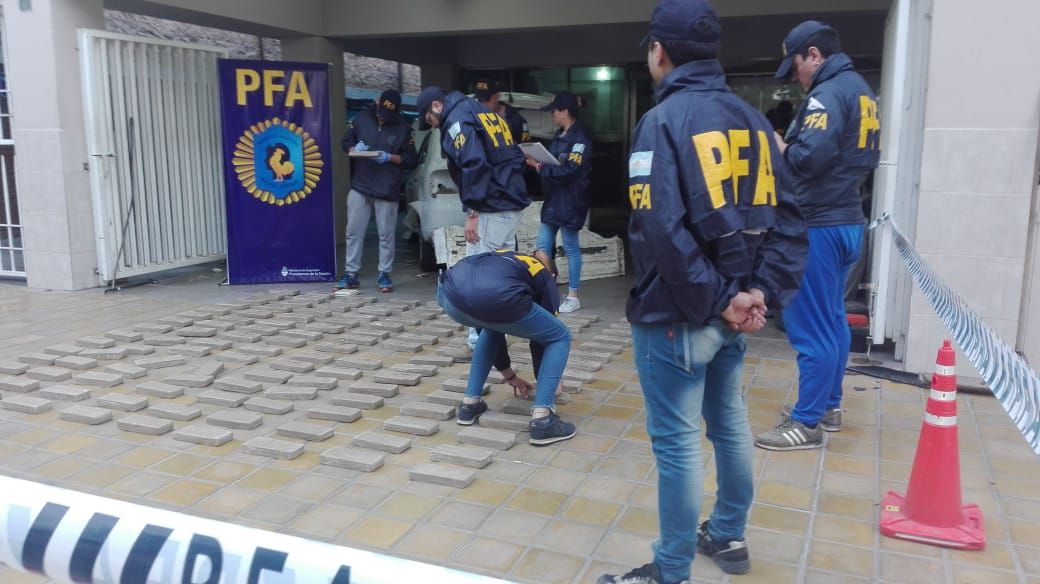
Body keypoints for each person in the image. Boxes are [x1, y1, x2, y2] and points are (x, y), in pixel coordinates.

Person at [598, 0, 808, 582]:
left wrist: (722, 298)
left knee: (678, 444)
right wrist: (759, 292)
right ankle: (728, 534)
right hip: (733, 312)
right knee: (729, 425)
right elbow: (791, 220)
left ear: (658, 52)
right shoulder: (757, 122)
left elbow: (659, 228)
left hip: (679, 313)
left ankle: (670, 570)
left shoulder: (661, 122)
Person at [754, 20, 881, 451]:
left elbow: (807, 160)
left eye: (795, 67)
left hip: (818, 225)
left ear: (813, 54)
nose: (795, 77)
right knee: (832, 320)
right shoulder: (861, 90)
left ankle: (806, 422)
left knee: (810, 328)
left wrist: (777, 144)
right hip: (847, 220)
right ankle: (828, 406)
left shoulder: (827, 95)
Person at [416, 84, 531, 361]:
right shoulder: (483, 112)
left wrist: (473, 212)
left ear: (436, 106)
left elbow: (474, 163)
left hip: (491, 206)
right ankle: (495, 336)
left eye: (429, 120)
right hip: (509, 202)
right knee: (500, 274)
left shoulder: (458, 121)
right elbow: (514, 155)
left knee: (479, 278)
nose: (432, 125)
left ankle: (480, 343)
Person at [438, 249, 577, 445]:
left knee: (491, 326)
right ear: (554, 275)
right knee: (560, 336)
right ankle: (543, 419)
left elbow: (485, 326)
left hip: (448, 294)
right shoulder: (544, 275)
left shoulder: (508, 260)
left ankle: (469, 404)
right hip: (492, 296)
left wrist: (509, 376)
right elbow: (544, 339)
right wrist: (548, 383)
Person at [338, 89, 418, 293]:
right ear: (377, 101)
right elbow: (345, 142)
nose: (383, 117)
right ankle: (351, 274)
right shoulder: (361, 118)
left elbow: (411, 159)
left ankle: (385, 274)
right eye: (382, 112)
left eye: (388, 115)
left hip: (387, 187)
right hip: (361, 184)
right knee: (354, 232)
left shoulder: (403, 127)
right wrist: (354, 149)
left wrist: (389, 157)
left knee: (386, 235)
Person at [526, 91, 592, 313]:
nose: (552, 115)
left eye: (554, 111)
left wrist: (540, 166)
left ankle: (573, 295)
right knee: (542, 247)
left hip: (571, 201)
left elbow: (570, 170)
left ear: (564, 112)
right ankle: (545, 292)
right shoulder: (558, 135)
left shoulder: (580, 138)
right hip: (553, 198)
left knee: (570, 247)